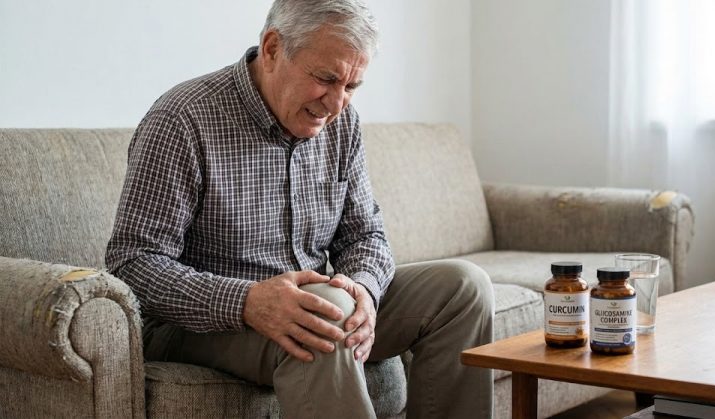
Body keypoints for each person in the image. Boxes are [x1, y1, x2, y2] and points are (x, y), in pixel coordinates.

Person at [106, 0, 494, 417]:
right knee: (321, 316)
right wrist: (247, 301)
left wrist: (364, 288)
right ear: (273, 48)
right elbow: (132, 263)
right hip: (203, 323)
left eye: (352, 86)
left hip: (318, 302)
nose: (336, 103)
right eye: (326, 78)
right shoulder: (183, 119)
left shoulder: (342, 123)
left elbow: (366, 236)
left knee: (463, 287)